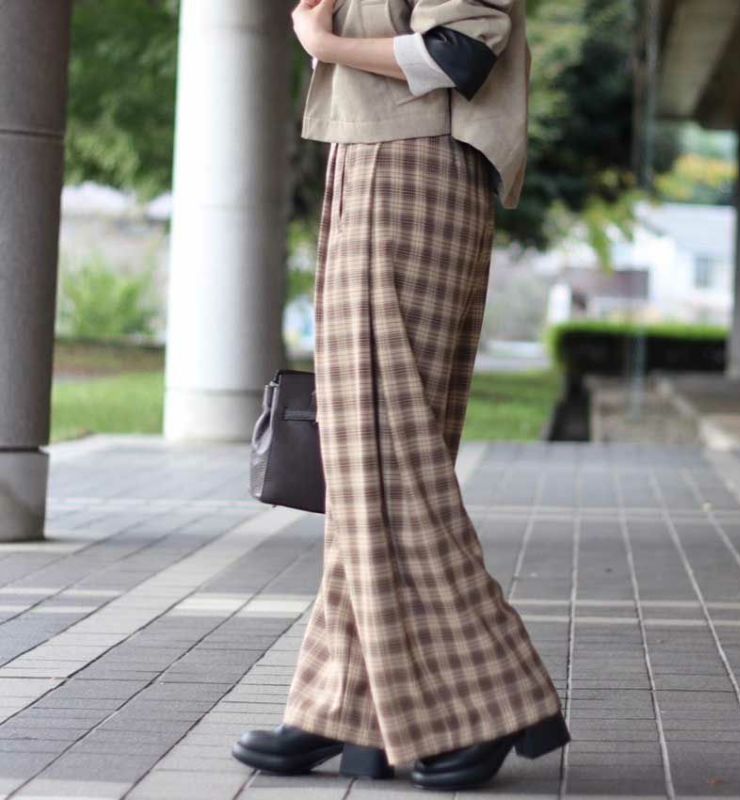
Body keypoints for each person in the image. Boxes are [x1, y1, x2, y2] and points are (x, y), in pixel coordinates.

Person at [232, 0, 570, 790]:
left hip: (413, 166)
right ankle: (345, 709)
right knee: (364, 459)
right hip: (371, 161)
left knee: (386, 450)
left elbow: (460, 52)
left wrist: (323, 42)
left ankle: (499, 697)